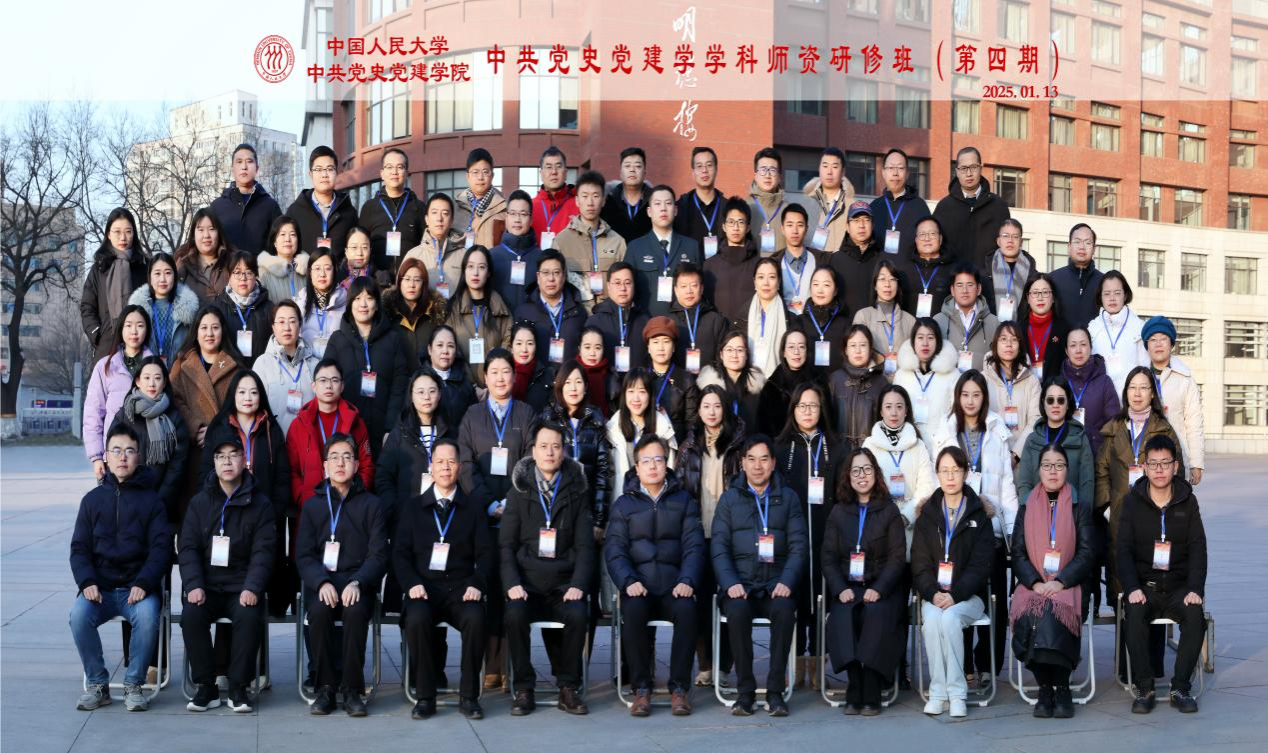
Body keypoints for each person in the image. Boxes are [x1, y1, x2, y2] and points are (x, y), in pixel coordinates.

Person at [69, 424, 170, 712]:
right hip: (99, 589)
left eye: (129, 451)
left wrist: (144, 583)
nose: (122, 457)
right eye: (116, 451)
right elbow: (79, 549)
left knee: (148, 617)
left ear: (139, 456)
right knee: (78, 617)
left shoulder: (152, 501)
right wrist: (87, 582)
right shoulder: (92, 501)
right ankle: (98, 684)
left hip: (136, 589)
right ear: (107, 456)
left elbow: (161, 549)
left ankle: (134, 684)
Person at [605, 434, 705, 716]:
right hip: (639, 587)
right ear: (636, 467)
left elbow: (695, 547)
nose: (652, 466)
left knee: (687, 611)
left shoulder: (684, 501)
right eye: (646, 461)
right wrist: (628, 581)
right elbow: (615, 550)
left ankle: (679, 688)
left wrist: (687, 580)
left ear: (666, 463)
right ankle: (641, 688)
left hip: (674, 586)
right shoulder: (624, 505)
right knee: (633, 610)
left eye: (658, 460)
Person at [501, 419, 596, 716]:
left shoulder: (577, 491)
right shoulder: (519, 490)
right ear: (533, 450)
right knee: (514, 614)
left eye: (556, 446)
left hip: (563, 585)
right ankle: (524, 688)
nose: (550, 452)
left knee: (578, 614)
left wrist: (578, 585)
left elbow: (585, 547)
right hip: (527, 584)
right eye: (544, 446)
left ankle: (568, 687)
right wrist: (512, 584)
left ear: (564, 451)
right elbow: (506, 545)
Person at [393, 437, 491, 720]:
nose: (445, 467)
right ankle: (425, 696)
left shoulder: (473, 507)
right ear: (431, 467)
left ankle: (469, 696)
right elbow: (399, 554)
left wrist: (477, 583)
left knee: (476, 618)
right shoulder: (413, 507)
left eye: (451, 461)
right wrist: (411, 584)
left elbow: (486, 554)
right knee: (416, 618)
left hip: (461, 589)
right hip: (424, 588)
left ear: (459, 466)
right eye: (440, 462)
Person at [933, 370, 1019, 686]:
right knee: (962, 596)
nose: (970, 401)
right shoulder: (945, 431)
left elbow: (1006, 485)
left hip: (989, 528)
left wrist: (1011, 529)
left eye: (976, 395)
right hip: (956, 531)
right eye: (965, 394)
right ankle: (965, 665)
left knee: (994, 600)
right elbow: (938, 480)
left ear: (985, 398)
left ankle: (987, 664)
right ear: (958, 397)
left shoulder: (996, 431)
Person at [711, 434, 807, 716]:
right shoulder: (729, 499)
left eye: (764, 459)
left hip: (776, 584)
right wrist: (730, 583)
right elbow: (719, 547)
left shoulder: (788, 498)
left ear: (773, 463)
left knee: (785, 611)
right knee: (737, 612)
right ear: (742, 463)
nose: (757, 466)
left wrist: (787, 581)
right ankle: (745, 693)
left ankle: (775, 692)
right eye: (751, 459)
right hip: (740, 585)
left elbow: (799, 546)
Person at [457, 349, 536, 689]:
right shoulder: (472, 415)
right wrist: (489, 504)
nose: (501, 378)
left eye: (506, 371)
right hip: (482, 518)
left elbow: (531, 461)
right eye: (494, 372)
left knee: (513, 590)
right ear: (485, 377)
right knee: (486, 587)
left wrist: (510, 503)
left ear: (514, 377)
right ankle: (492, 665)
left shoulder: (526, 413)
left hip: (518, 518)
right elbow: (465, 465)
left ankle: (513, 668)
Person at [179, 435, 275, 713]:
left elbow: (264, 551)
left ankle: (238, 687)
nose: (227, 461)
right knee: (191, 615)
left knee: (249, 615)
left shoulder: (260, 504)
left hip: (241, 586)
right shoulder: (200, 502)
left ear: (245, 461)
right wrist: (194, 585)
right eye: (221, 456)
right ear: (214, 463)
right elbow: (187, 547)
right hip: (207, 586)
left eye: (233, 455)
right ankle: (206, 687)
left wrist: (252, 587)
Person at [296, 433, 389, 716]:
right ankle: (325, 687)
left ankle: (351, 689)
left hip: (357, 581)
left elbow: (379, 554)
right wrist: (320, 581)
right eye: (334, 457)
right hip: (323, 582)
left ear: (357, 465)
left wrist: (359, 581)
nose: (340, 463)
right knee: (319, 611)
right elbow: (304, 554)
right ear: (325, 465)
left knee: (355, 611)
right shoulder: (312, 505)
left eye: (347, 457)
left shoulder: (371, 504)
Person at [1117, 435, 1207, 715]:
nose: (1159, 470)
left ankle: (1180, 687)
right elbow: (1123, 550)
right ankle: (1145, 688)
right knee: (1133, 615)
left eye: (1165, 463)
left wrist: (1195, 589)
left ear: (1175, 467)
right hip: (1145, 587)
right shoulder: (1132, 502)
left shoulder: (1187, 502)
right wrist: (1131, 587)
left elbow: (1198, 549)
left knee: (1195, 617)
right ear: (1144, 467)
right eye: (1153, 463)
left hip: (1178, 588)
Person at [910, 446, 996, 718]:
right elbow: (919, 563)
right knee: (933, 620)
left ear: (966, 473)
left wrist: (955, 594)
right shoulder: (927, 515)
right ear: (937, 474)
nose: (950, 476)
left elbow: (981, 566)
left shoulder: (978, 514)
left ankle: (956, 693)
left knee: (949, 619)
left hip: (969, 597)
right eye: (944, 471)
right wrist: (932, 593)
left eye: (956, 470)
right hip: (934, 595)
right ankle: (938, 693)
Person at [1009, 443, 1094, 718]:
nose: (1053, 471)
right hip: (1033, 584)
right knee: (1035, 609)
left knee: (1054, 610)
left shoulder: (1079, 505)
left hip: (1069, 584)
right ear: (1039, 469)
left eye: (1059, 465)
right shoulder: (1026, 506)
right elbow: (1018, 552)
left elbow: (1086, 552)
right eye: (1047, 465)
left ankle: (1061, 687)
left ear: (1067, 470)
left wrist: (1061, 582)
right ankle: (1047, 687)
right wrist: (1035, 583)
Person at [822, 448, 907, 715]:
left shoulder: (890, 511)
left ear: (876, 473)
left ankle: (871, 685)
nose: (862, 475)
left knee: (876, 614)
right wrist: (840, 588)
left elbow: (897, 558)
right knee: (843, 614)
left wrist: (878, 589)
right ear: (848, 476)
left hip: (881, 588)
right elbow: (828, 558)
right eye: (856, 470)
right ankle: (854, 682)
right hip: (848, 587)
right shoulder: (838, 512)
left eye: (867, 469)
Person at [676, 385, 747, 686]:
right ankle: (705, 665)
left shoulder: (738, 445)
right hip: (698, 532)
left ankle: (725, 666)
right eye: (706, 406)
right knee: (701, 601)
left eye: (717, 405)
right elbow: (680, 490)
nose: (712, 411)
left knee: (730, 598)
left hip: (729, 535)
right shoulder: (688, 447)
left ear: (725, 409)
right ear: (699, 411)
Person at [1096, 366, 1184, 603]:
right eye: (1132, 387)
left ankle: (1153, 609)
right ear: (1125, 392)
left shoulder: (1164, 429)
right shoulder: (1114, 427)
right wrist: (1107, 507)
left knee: (1149, 563)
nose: (1137, 393)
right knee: (1119, 561)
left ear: (1152, 393)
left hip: (1154, 510)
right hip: (1119, 509)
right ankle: (1121, 614)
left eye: (1143, 388)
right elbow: (1101, 470)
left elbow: (1177, 472)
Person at [774, 382, 840, 689]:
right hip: (793, 538)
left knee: (822, 600)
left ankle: (818, 661)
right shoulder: (781, 448)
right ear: (793, 409)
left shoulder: (836, 447)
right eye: (802, 406)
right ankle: (797, 661)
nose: (808, 411)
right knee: (797, 599)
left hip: (826, 535)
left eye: (813, 405)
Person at [325, 277, 411, 459]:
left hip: (385, 432)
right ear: (350, 304)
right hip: (347, 432)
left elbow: (400, 385)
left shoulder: (392, 339)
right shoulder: (337, 340)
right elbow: (328, 384)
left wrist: (390, 427)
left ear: (377, 304)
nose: (363, 304)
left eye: (369, 298)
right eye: (357, 298)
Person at [286, 359, 376, 531]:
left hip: (349, 509)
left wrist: (354, 497)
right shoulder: (299, 425)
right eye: (323, 380)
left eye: (334, 380)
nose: (329, 385)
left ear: (342, 386)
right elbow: (291, 470)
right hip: (311, 509)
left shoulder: (356, 423)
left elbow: (366, 466)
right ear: (313, 386)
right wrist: (304, 498)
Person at [169, 306, 242, 516]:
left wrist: (214, 432)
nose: (209, 333)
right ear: (196, 331)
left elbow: (240, 407)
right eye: (204, 328)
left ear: (223, 331)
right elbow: (173, 399)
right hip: (191, 450)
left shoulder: (236, 366)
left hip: (223, 451)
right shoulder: (182, 363)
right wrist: (196, 427)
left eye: (215, 328)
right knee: (191, 514)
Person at [109, 356, 191, 521]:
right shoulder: (125, 415)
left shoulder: (174, 418)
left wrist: (159, 501)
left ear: (165, 382)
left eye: (157, 378)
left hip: (161, 503)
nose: (152, 384)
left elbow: (177, 467)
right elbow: (113, 454)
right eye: (146, 378)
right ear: (138, 381)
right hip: (126, 501)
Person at [541, 361, 613, 536]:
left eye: (578, 382)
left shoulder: (596, 421)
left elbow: (603, 474)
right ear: (560, 386)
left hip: (585, 511)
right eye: (567, 382)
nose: (573, 388)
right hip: (554, 510)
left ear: (586, 387)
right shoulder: (548, 419)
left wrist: (599, 520)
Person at [860, 384, 936, 550]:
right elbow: (863, 485)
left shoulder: (918, 445)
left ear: (906, 410)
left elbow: (927, 486)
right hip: (879, 525)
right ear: (881, 411)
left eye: (899, 407)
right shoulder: (869, 445)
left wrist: (907, 515)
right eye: (888, 407)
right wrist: (886, 517)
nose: (894, 413)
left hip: (912, 526)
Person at [84, 306, 153, 481]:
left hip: (147, 455)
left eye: (140, 325)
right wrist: (97, 457)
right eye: (128, 325)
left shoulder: (156, 366)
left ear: (147, 330)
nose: (134, 331)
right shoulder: (105, 367)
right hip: (113, 457)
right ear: (121, 329)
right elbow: (93, 414)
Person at [606, 369, 679, 515]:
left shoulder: (662, 428)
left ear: (650, 395)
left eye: (642, 391)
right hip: (623, 508)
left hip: (656, 510)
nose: (636, 398)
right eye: (631, 391)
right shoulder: (612, 429)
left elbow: (670, 474)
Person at [623, 185, 703, 317]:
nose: (663, 208)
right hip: (647, 322)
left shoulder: (691, 246)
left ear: (675, 210)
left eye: (668, 203)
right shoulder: (635, 248)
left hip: (685, 321)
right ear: (649, 211)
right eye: (657, 204)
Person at [1142, 316, 1205, 485]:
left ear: (1171, 344)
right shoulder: (1139, 377)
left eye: (1163, 339)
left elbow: (1194, 422)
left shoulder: (1185, 378)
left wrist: (1196, 463)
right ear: (1146, 346)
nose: (1158, 344)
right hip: (1144, 455)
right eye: (1153, 340)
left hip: (1176, 455)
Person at [1015, 378, 1096, 507]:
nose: (1055, 405)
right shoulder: (1032, 440)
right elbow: (1024, 484)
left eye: (1061, 400)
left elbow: (1087, 485)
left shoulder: (1080, 438)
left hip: (1071, 513)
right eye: (1050, 400)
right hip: (1037, 513)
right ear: (1043, 403)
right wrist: (1030, 511)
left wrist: (1081, 516)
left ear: (1068, 404)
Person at [82, 208, 149, 362]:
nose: (123, 237)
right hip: (107, 344)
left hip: (139, 344)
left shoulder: (143, 267)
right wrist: (96, 334)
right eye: (117, 232)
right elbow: (87, 306)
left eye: (128, 232)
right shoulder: (99, 268)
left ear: (134, 234)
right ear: (108, 234)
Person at [444, 245, 514, 385]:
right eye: (470, 267)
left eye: (481, 267)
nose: (475, 273)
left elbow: (508, 344)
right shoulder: (452, 310)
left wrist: (492, 382)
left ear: (488, 273)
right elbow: (450, 351)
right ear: (464, 271)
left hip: (495, 387)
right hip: (462, 387)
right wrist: (472, 386)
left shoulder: (501, 310)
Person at [556, 170, 627, 303]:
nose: (590, 202)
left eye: (595, 196)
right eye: (584, 196)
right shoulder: (561, 241)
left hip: (608, 312)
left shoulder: (618, 242)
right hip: (576, 312)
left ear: (603, 200)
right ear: (577, 201)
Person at [932, 146, 1010, 267]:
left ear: (981, 168)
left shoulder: (999, 206)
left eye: (973, 167)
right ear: (957, 171)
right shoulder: (944, 208)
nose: (969, 173)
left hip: (990, 277)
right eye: (963, 168)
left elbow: (1008, 248)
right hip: (954, 277)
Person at [892, 318, 960, 455]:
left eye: (930, 338)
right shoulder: (901, 375)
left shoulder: (952, 375)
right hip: (908, 446)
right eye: (920, 337)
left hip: (942, 446)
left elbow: (956, 414)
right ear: (913, 341)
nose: (925, 343)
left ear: (938, 342)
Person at [287, 145, 360, 263]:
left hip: (339, 274)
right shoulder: (295, 211)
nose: (324, 174)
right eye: (319, 169)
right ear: (310, 174)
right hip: (304, 274)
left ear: (337, 173)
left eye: (330, 169)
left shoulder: (349, 212)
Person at [513, 249, 586, 366]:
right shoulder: (523, 312)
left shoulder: (578, 312)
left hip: (568, 376)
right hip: (535, 376)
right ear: (538, 276)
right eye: (545, 273)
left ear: (564, 276)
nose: (551, 278)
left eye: (556, 273)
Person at [359, 147, 424, 278]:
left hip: (409, 281)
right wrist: (375, 273)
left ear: (407, 173)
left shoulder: (419, 207)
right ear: (382, 173)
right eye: (389, 167)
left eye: (400, 167)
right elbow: (361, 246)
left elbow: (425, 248)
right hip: (377, 282)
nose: (394, 172)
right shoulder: (369, 207)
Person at [128, 252, 200, 365]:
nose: (162, 279)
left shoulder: (189, 309)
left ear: (174, 276)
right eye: (157, 273)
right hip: (147, 372)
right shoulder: (138, 310)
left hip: (181, 371)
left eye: (168, 273)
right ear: (150, 277)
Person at [209, 143, 283, 254]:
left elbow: (280, 246)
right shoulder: (217, 207)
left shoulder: (270, 207)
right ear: (232, 169)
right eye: (239, 162)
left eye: (249, 161)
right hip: (227, 265)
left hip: (261, 265)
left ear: (257, 168)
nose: (244, 167)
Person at [982, 322, 1042, 456]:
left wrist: (1016, 455)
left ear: (1020, 346)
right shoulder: (982, 380)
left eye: (1014, 339)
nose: (1009, 344)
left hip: (1023, 456)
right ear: (995, 344)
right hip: (991, 454)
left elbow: (1035, 420)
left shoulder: (1032, 381)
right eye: (1003, 339)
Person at [1061, 327, 1120, 457]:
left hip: (1097, 456)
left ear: (1090, 347)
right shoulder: (1059, 383)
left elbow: (1114, 424)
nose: (1078, 350)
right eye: (1073, 345)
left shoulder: (1104, 382)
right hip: (1063, 456)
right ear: (1066, 350)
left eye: (1083, 344)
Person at [1087, 270, 1147, 396]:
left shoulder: (1139, 327)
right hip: (1100, 400)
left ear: (1125, 295)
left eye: (1117, 293)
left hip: (1131, 401)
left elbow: (1145, 368)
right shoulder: (1092, 328)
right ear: (1100, 297)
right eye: (1107, 294)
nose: (1112, 298)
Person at [210, 250, 274, 366]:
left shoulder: (269, 309)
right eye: (237, 272)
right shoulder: (216, 308)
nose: (243, 278)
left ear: (256, 276)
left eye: (248, 272)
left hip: (260, 372)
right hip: (227, 372)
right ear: (229, 276)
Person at [702, 198, 761, 323]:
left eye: (740, 222)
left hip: (751, 330)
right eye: (731, 222)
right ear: (724, 226)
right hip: (719, 330)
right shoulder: (709, 266)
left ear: (748, 227)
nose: (735, 227)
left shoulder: (758, 265)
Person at [934, 263, 1000, 373]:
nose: (964, 290)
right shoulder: (938, 320)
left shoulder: (994, 323)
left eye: (970, 285)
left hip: (982, 382)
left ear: (978, 289)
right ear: (952, 290)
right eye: (959, 285)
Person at [699, 328, 767, 432]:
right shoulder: (709, 386)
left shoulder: (758, 386)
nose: (734, 355)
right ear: (721, 354)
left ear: (747, 355)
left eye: (740, 350)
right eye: (729, 350)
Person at [828, 326, 887, 447]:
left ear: (870, 349)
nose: (858, 351)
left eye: (863, 345)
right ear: (846, 350)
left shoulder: (881, 382)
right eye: (853, 345)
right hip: (840, 452)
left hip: (871, 451)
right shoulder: (834, 380)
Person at [853, 258, 915, 372]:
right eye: (882, 279)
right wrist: (880, 362)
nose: (887, 284)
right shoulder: (863, 316)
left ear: (898, 285)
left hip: (902, 379)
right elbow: (856, 352)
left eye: (892, 279)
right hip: (872, 378)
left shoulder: (910, 320)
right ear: (875, 285)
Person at [383, 257, 448, 368]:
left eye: (417, 280)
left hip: (428, 377)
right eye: (407, 279)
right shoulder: (387, 314)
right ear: (399, 282)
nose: (412, 285)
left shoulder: (435, 314)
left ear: (424, 284)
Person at [758, 329, 827, 433]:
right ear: (784, 352)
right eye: (791, 347)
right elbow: (762, 429)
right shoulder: (771, 386)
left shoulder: (819, 382)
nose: (796, 352)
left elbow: (827, 423)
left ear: (807, 351)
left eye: (801, 347)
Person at [585, 262, 649, 373]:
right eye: (617, 283)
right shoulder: (595, 322)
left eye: (627, 283)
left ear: (634, 285)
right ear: (609, 286)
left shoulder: (645, 321)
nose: (623, 288)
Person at [868, 148, 932, 257]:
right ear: (883, 172)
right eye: (891, 168)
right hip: (880, 267)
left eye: (900, 168)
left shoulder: (920, 206)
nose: (895, 173)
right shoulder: (874, 207)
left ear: (907, 173)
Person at [642, 316, 697, 442]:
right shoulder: (641, 376)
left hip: (677, 442)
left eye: (666, 341)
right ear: (648, 347)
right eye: (655, 342)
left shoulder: (685, 379)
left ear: (673, 347)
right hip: (645, 442)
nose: (661, 347)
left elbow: (691, 421)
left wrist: (685, 448)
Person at [403, 192, 466, 299]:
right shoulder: (413, 255)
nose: (439, 218)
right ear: (426, 219)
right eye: (434, 212)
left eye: (445, 213)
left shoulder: (465, 256)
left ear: (452, 220)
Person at [489, 190, 542, 313]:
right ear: (506, 218)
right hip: (500, 322)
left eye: (523, 214)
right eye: (513, 214)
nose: (517, 219)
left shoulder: (541, 259)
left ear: (531, 219)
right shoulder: (491, 257)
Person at [894, 216, 957, 320]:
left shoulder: (954, 271)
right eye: (922, 234)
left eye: (932, 233)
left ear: (940, 239)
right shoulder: (902, 272)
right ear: (916, 240)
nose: (927, 238)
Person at [670, 261, 728, 373]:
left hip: (709, 381)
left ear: (701, 288)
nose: (689, 291)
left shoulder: (716, 320)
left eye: (694, 285)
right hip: (675, 382)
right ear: (676, 290)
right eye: (683, 286)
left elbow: (722, 359)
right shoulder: (667, 321)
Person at [419, 325, 479, 430]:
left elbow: (475, 422)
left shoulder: (465, 385)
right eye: (440, 345)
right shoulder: (418, 382)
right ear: (430, 349)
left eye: (450, 346)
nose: (445, 351)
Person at [829, 201, 883, 315]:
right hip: (844, 324)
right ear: (847, 227)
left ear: (873, 225)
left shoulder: (883, 261)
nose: (861, 225)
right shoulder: (835, 260)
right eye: (856, 220)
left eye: (866, 220)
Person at [795, 266, 850, 373]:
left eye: (826, 285)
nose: (820, 290)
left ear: (835, 291)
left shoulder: (844, 324)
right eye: (816, 284)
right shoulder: (800, 322)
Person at [293, 248, 347, 358]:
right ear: (310, 272)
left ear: (335, 271)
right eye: (317, 268)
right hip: (306, 364)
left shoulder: (345, 303)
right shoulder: (300, 303)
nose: (322, 274)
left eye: (327, 269)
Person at [1049, 223, 1104, 330]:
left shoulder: (1104, 282)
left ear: (1094, 249)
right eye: (1077, 242)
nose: (1082, 247)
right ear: (1069, 247)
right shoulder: (1052, 279)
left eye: (1087, 242)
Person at [175, 208, 235, 305]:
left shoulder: (234, 262)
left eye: (211, 229)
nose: (206, 235)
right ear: (193, 234)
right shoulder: (181, 264)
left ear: (219, 233)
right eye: (201, 230)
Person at [981, 219, 1038, 320]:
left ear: (1021, 242)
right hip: (991, 327)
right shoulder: (984, 274)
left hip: (1021, 328)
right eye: (1005, 236)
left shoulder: (1033, 276)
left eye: (1015, 236)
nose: (1010, 240)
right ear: (998, 241)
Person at [452, 148, 508, 251]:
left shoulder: (504, 208)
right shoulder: (455, 208)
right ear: (467, 176)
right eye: (475, 172)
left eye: (485, 172)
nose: (480, 177)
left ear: (492, 175)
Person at [801, 147, 854, 253]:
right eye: (825, 166)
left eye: (835, 167)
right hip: (813, 261)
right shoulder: (805, 205)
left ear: (843, 172)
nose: (829, 172)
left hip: (842, 262)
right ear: (819, 169)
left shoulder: (852, 207)